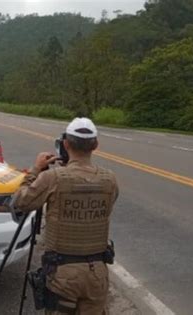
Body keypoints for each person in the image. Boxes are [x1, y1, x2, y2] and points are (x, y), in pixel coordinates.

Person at [13, 117, 119, 314]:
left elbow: (21, 202)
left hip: (63, 274)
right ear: (95, 145)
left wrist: (36, 169)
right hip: (97, 273)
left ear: (65, 144)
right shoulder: (110, 180)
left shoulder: (52, 178)